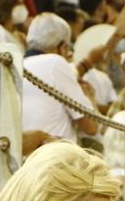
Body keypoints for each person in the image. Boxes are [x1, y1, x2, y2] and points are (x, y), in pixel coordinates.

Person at [22, 12, 99, 143]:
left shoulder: (14, 64)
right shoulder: (55, 62)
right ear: (62, 47)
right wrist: (90, 96)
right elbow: (91, 126)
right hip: (56, 157)